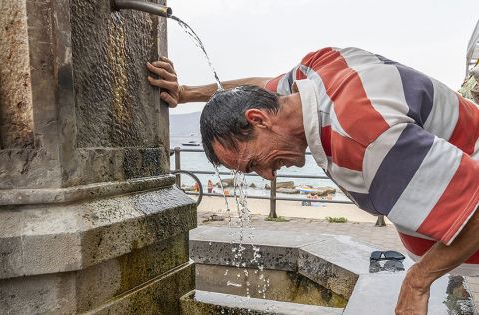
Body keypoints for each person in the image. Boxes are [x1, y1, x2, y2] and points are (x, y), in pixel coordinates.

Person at [147, 47, 479, 314]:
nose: (268, 174)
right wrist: (189, 93)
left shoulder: (363, 140)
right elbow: (261, 87)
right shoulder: (317, 70)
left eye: (253, 164)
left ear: (258, 120)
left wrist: (418, 282)